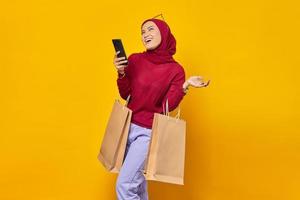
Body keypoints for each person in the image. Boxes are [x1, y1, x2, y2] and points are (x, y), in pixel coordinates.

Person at [113, 18, 209, 200]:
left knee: (125, 185)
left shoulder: (175, 70)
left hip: (147, 133)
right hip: (127, 129)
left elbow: (168, 106)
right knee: (138, 185)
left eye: (150, 29)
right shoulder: (134, 59)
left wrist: (185, 86)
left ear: (164, 33)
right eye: (142, 32)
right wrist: (121, 72)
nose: (145, 35)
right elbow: (126, 94)